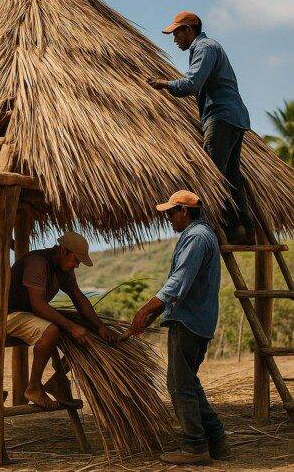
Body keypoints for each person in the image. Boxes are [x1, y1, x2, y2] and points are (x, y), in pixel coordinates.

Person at [120, 190, 230, 465]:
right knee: (189, 382)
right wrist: (156, 314)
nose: (168, 219)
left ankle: (195, 446)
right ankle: (216, 439)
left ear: (184, 211)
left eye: (171, 213)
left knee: (179, 384)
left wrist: (146, 308)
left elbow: (178, 281)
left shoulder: (195, 237)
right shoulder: (202, 235)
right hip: (196, 319)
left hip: (189, 321)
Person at [147, 11, 255, 245]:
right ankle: (241, 228)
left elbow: (192, 83)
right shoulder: (209, 47)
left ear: (189, 30)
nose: (175, 39)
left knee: (212, 174)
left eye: (177, 33)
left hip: (221, 115)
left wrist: (166, 84)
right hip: (233, 116)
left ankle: (207, 226)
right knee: (231, 175)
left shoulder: (204, 47)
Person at [7, 231, 118, 408]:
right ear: (64, 251)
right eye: (76, 260)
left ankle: (58, 379)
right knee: (51, 331)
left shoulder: (64, 269)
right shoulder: (38, 263)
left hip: (30, 315)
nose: (77, 265)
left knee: (86, 334)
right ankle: (33, 388)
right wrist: (72, 327)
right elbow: (38, 305)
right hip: (9, 316)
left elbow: (79, 298)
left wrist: (100, 327)